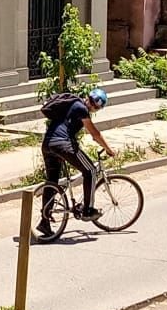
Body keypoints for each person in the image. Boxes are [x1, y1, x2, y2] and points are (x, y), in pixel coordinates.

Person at [39, 88, 117, 232]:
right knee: (91, 170)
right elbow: (94, 133)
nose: (95, 110)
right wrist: (108, 149)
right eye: (97, 108)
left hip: (48, 144)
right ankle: (88, 209)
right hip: (63, 144)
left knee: (52, 182)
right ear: (96, 106)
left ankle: (44, 221)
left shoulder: (73, 104)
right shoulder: (81, 108)